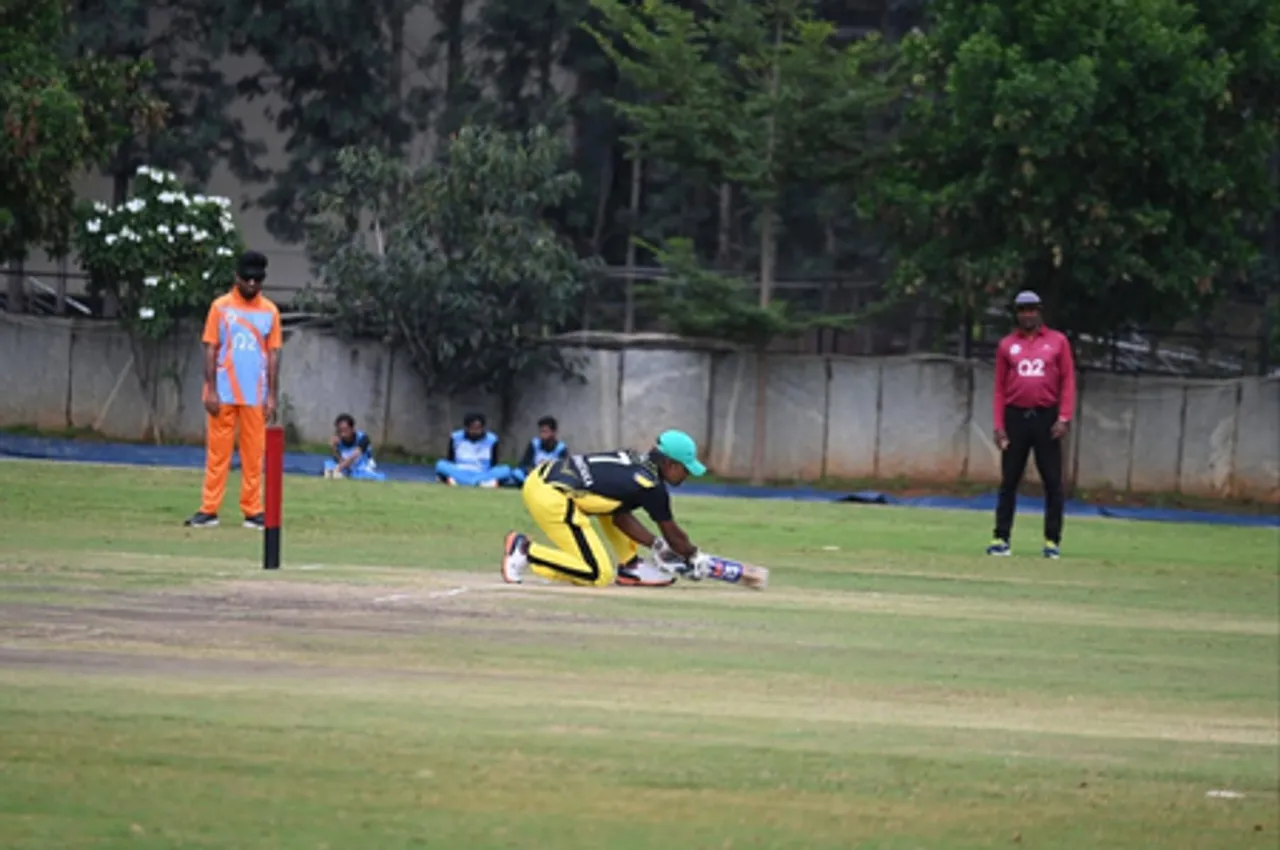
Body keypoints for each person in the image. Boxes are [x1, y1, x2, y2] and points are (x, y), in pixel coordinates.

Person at [499, 429, 716, 588]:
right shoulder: (651, 487)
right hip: (551, 494)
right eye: (685, 470)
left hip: (545, 476)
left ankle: (630, 567)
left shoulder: (635, 459)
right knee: (597, 574)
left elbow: (619, 516)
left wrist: (655, 545)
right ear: (670, 464)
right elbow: (674, 536)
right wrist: (695, 557)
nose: (687, 476)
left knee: (610, 506)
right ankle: (525, 550)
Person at [184, 250, 282, 529]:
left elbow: (273, 355)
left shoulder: (270, 312)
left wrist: (272, 395)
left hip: (255, 394)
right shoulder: (220, 307)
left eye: (258, 280)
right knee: (218, 454)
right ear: (237, 277)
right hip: (223, 393)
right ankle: (209, 509)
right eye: (247, 278)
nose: (252, 284)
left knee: (254, 455)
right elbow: (210, 347)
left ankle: (253, 511)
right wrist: (210, 389)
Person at [988, 290, 1077, 558]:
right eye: (1022, 310)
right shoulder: (1007, 345)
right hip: (1016, 417)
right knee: (1009, 481)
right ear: (1017, 313)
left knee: (1052, 482)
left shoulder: (1057, 342)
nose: (1028, 314)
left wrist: (1064, 417)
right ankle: (1001, 538)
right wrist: (999, 425)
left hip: (1046, 417)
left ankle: (1052, 541)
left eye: (1032, 309)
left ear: (1040, 311)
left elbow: (1068, 381)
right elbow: (999, 389)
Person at [434, 413, 513, 488]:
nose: (475, 431)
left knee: (506, 470)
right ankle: (482, 483)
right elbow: (450, 460)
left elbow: (493, 464)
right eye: (472, 428)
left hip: (482, 472)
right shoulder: (455, 437)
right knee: (440, 465)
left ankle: (460, 482)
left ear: (482, 428)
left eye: (478, 428)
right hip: (460, 471)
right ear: (467, 427)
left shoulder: (492, 439)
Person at [324, 413, 386, 481]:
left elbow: (353, 457)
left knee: (365, 476)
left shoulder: (363, 438)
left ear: (352, 428)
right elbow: (339, 460)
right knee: (328, 466)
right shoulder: (338, 441)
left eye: (345, 429)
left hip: (362, 465)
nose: (342, 433)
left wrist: (338, 468)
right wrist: (333, 448)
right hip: (346, 465)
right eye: (340, 430)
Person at [511, 416, 569, 485]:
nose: (542, 435)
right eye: (541, 432)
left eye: (545, 432)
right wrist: (531, 470)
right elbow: (524, 464)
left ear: (554, 432)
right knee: (517, 473)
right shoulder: (534, 444)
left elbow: (562, 469)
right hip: (533, 475)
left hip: (550, 478)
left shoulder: (561, 448)